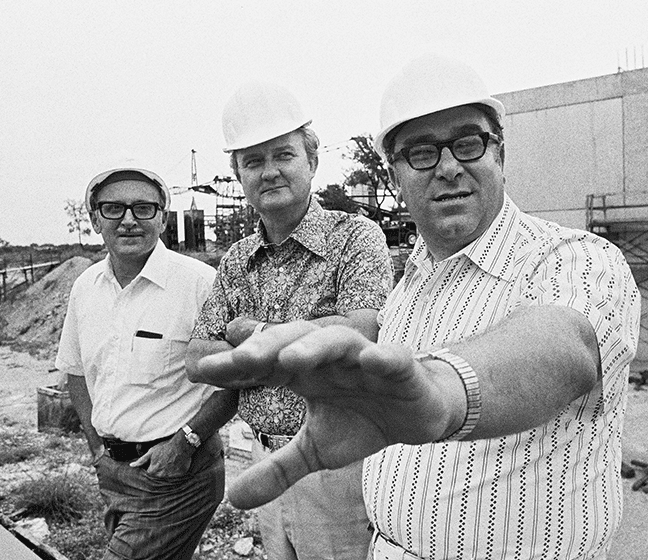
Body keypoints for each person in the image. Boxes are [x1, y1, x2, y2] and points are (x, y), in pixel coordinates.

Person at [190, 55, 641, 560]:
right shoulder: (409, 290)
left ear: (500, 153)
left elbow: (567, 345)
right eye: (421, 153)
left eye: (468, 142)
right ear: (396, 173)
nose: (448, 167)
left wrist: (444, 393)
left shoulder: (575, 258)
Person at [186, 81, 394, 560]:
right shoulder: (237, 259)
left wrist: (247, 336)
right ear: (238, 174)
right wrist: (296, 342)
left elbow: (360, 332)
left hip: (339, 463)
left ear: (312, 161)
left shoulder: (355, 239)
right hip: (263, 457)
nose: (270, 171)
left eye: (283, 155)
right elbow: (196, 358)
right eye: (253, 161)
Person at [55, 165, 237, 560]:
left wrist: (184, 443)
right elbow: (75, 371)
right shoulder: (85, 288)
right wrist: (97, 449)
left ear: (163, 217)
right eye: (113, 209)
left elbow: (237, 379)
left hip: (177, 472)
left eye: (143, 208)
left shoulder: (200, 284)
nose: (128, 220)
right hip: (113, 471)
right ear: (94, 219)